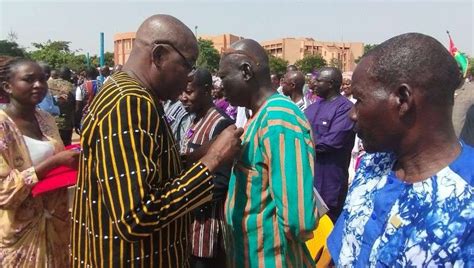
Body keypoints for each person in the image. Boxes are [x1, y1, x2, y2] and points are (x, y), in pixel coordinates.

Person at [70, 14, 242, 267]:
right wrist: (212, 160)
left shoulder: (124, 91)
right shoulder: (129, 102)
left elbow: (142, 171)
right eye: (188, 65)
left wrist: (197, 155)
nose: (188, 78)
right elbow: (137, 217)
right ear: (159, 55)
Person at [327, 33, 473, 267]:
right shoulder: (371, 165)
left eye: (360, 100)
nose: (352, 114)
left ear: (402, 100)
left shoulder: (467, 203)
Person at [219, 39, 318, 267]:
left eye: (224, 77)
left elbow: (299, 219)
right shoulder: (259, 115)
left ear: (246, 71)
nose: (221, 86)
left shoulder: (279, 118)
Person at [0, 57, 79, 267]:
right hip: (19, 236)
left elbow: (61, 163)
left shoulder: (46, 119)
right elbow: (3, 192)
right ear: (8, 86)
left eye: (42, 79)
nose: (39, 85)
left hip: (57, 228)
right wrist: (53, 163)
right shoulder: (2, 126)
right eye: (29, 79)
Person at [179, 68, 233, 268]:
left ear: (207, 90)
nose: (183, 98)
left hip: (206, 226)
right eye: (181, 92)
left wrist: (184, 195)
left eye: (189, 92)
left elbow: (221, 181)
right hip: (187, 224)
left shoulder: (220, 124)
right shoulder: (192, 119)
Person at [305, 67, 355, 222]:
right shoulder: (311, 108)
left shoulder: (345, 109)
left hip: (330, 181)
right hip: (308, 177)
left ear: (331, 84)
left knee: (327, 227)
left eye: (319, 80)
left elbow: (333, 142)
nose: (314, 84)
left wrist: (301, 144)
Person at [48, 66, 75, 145]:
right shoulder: (71, 86)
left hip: (49, 121)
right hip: (66, 123)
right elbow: (75, 104)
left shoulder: (48, 83)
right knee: (66, 145)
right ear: (68, 75)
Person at [75, 67, 100, 131]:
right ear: (96, 75)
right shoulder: (103, 85)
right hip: (100, 118)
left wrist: (76, 122)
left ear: (85, 75)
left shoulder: (81, 88)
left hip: (86, 120)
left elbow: (78, 107)